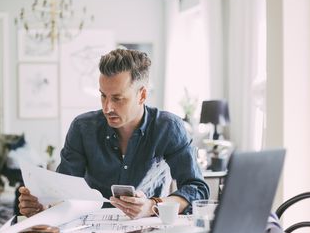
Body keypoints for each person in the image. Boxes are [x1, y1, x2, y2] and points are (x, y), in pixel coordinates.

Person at [19, 48, 209, 219]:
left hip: (148, 227)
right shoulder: (82, 128)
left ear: (142, 95)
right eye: (103, 95)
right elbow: (64, 189)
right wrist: (41, 205)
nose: (107, 107)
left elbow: (197, 189)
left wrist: (152, 206)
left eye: (118, 98)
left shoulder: (168, 127)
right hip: (89, 227)